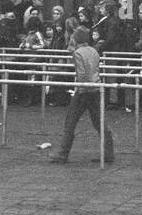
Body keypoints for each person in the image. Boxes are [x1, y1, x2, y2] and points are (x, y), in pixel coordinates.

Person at [48, 27, 115, 164]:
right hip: (95, 89)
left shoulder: (78, 53)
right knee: (100, 123)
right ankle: (109, 153)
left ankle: (63, 153)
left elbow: (82, 73)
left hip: (83, 91)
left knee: (70, 122)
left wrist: (79, 88)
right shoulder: (94, 50)